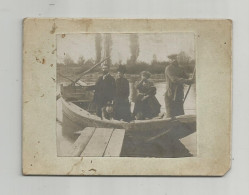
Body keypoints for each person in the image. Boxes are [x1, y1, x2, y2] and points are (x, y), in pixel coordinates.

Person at [164, 53, 194, 118]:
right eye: (172, 59)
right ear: (170, 60)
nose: (173, 60)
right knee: (170, 116)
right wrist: (187, 81)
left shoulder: (180, 68)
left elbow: (187, 78)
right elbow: (174, 79)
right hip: (170, 95)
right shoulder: (169, 68)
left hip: (179, 95)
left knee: (180, 114)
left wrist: (191, 79)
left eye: (174, 58)